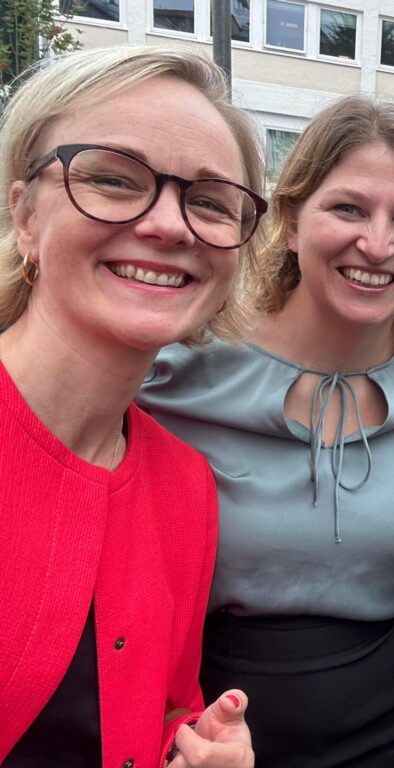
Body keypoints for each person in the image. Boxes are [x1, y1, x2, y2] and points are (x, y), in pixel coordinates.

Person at [138, 95, 394, 767]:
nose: (376, 244)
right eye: (347, 208)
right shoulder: (177, 369)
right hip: (209, 729)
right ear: (289, 221)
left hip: (384, 726)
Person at [0, 45, 267, 766]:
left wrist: (195, 750)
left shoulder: (186, 488)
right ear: (24, 215)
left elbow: (163, 707)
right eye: (116, 180)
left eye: (211, 202)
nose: (171, 225)